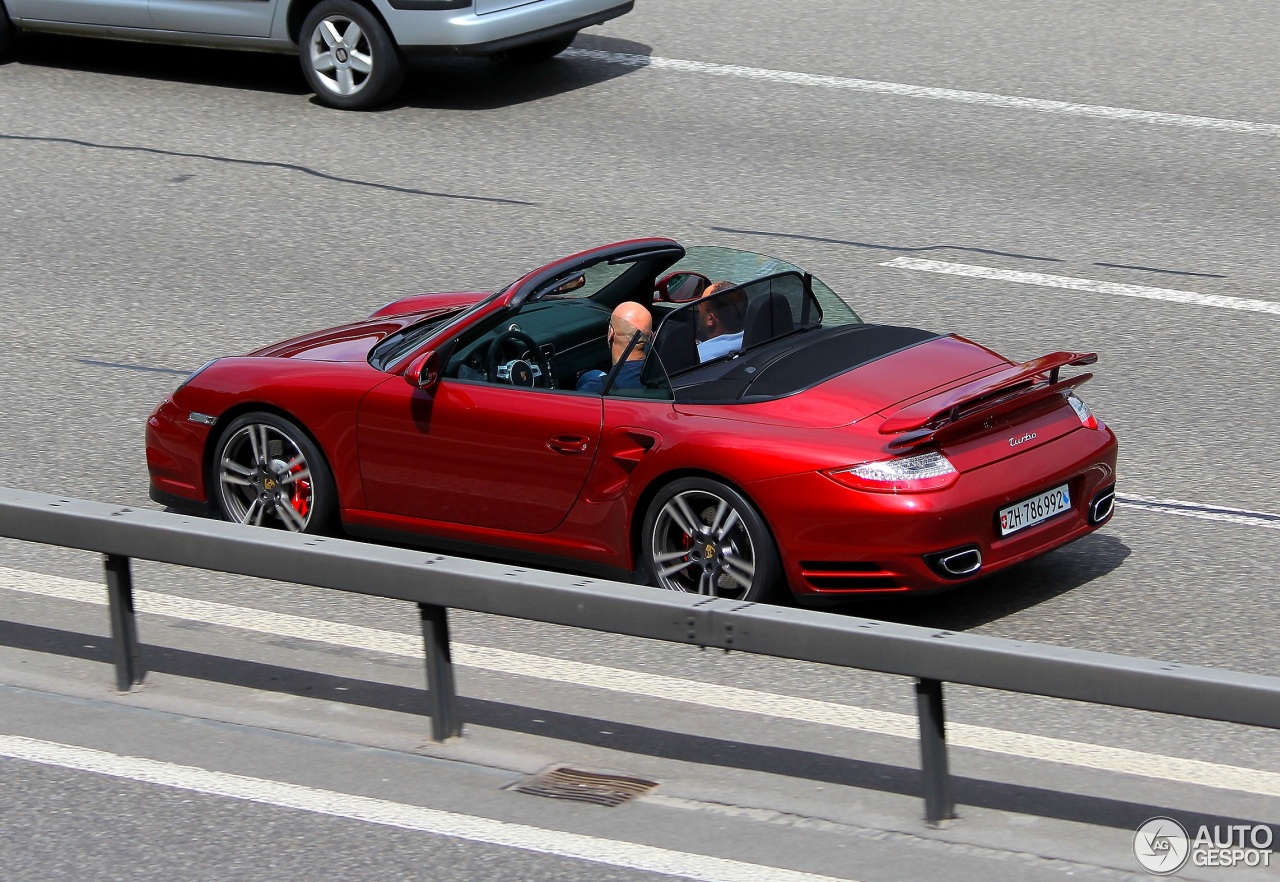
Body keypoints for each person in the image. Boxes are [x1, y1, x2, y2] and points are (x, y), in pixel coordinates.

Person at [576, 302, 653, 394]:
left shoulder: (595, 389)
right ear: (651, 336)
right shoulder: (663, 370)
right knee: (593, 374)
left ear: (611, 333)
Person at [695, 281, 747, 361]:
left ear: (710, 319)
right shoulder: (757, 339)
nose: (698, 308)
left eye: (700, 304)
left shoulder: (697, 358)